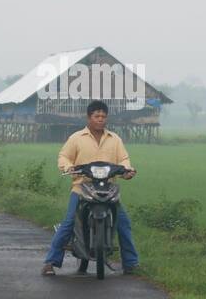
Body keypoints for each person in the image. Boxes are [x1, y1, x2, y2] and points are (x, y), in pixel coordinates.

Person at [41, 100, 139, 275]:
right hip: (81, 188)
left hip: (108, 189)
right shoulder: (77, 138)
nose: (100, 119)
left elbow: (123, 159)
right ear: (89, 118)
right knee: (69, 223)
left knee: (123, 223)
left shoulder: (114, 139)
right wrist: (68, 167)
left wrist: (127, 170)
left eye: (103, 116)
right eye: (96, 116)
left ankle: (131, 263)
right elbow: (64, 156)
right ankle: (51, 262)